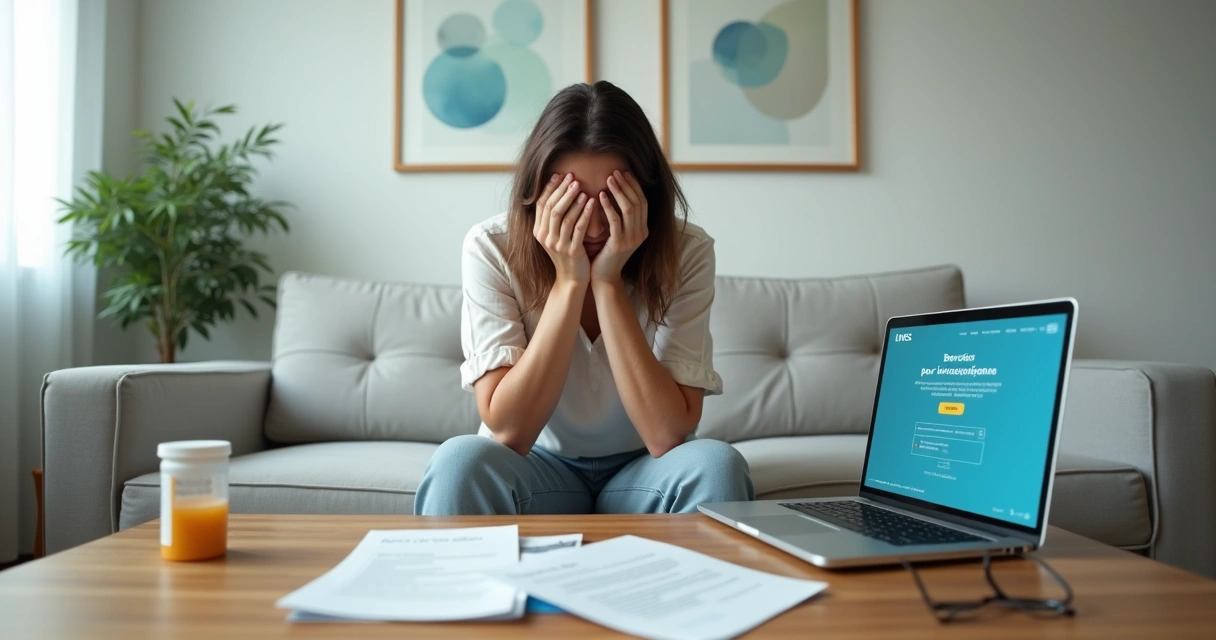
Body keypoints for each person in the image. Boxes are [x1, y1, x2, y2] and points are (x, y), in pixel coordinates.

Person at [414, 81, 754, 516]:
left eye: (612, 202)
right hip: (534, 464)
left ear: (645, 197)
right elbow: (508, 432)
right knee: (458, 462)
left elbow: (667, 435)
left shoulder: (687, 251)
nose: (592, 229)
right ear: (538, 196)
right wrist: (570, 283)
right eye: (571, 203)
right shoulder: (491, 247)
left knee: (718, 465)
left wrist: (608, 284)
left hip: (644, 469)